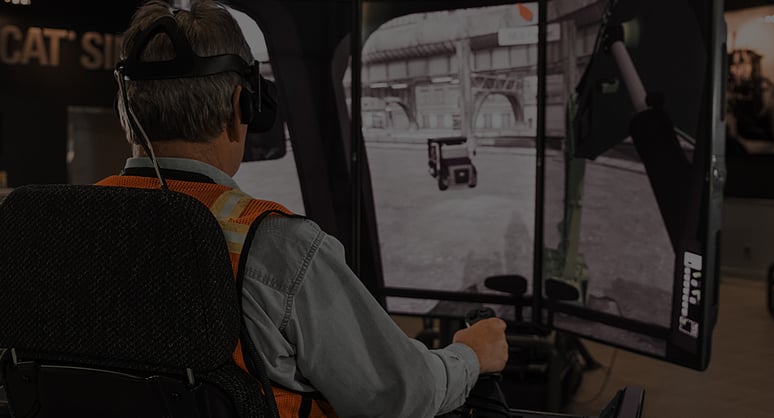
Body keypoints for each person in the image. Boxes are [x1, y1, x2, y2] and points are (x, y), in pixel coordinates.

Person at [98, 1, 508, 417]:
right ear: (240, 106)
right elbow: (399, 394)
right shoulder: (276, 248)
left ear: (126, 113)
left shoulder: (55, 232)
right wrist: (470, 355)